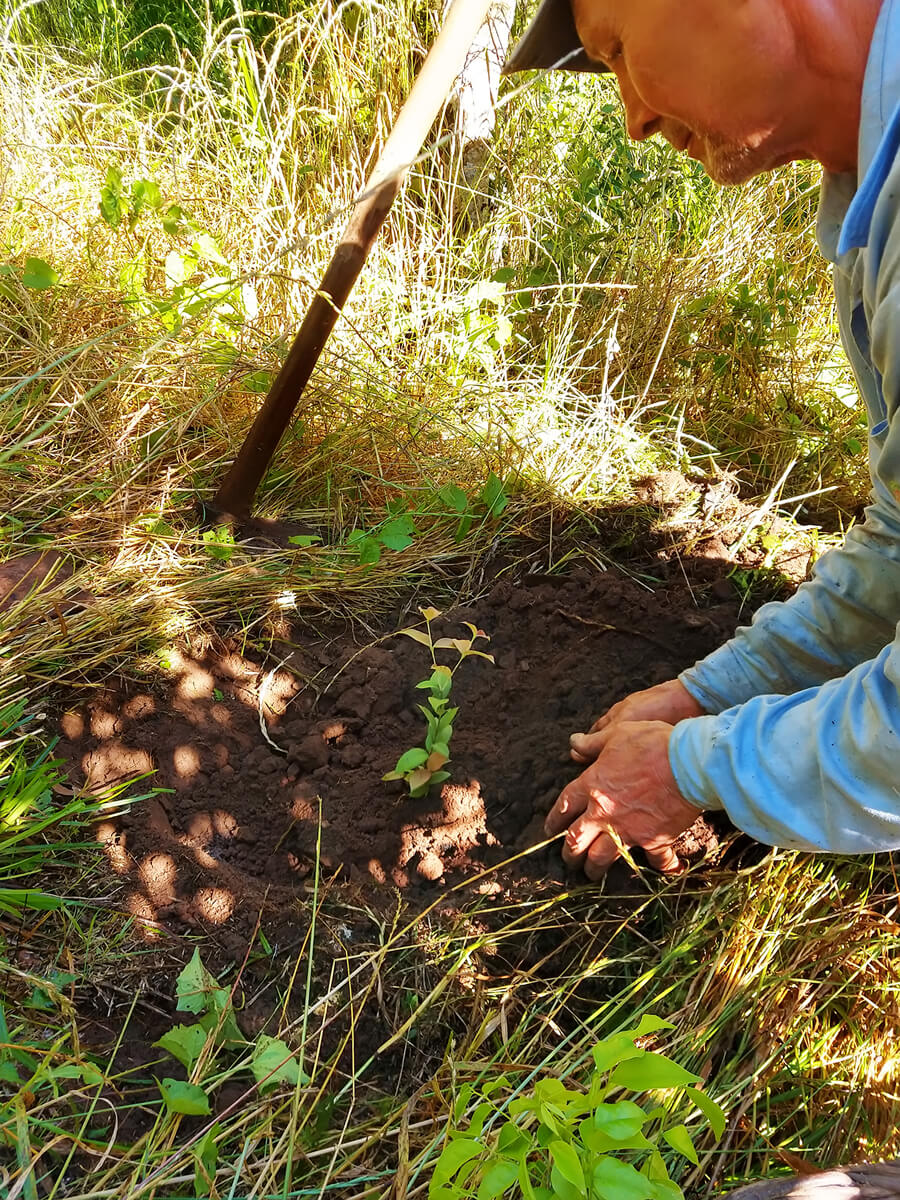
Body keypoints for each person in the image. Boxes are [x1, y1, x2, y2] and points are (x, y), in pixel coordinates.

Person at [503, 0, 900, 878]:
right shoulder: (872, 209)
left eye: (616, 49)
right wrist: (704, 695)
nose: (634, 119)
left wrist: (693, 770)